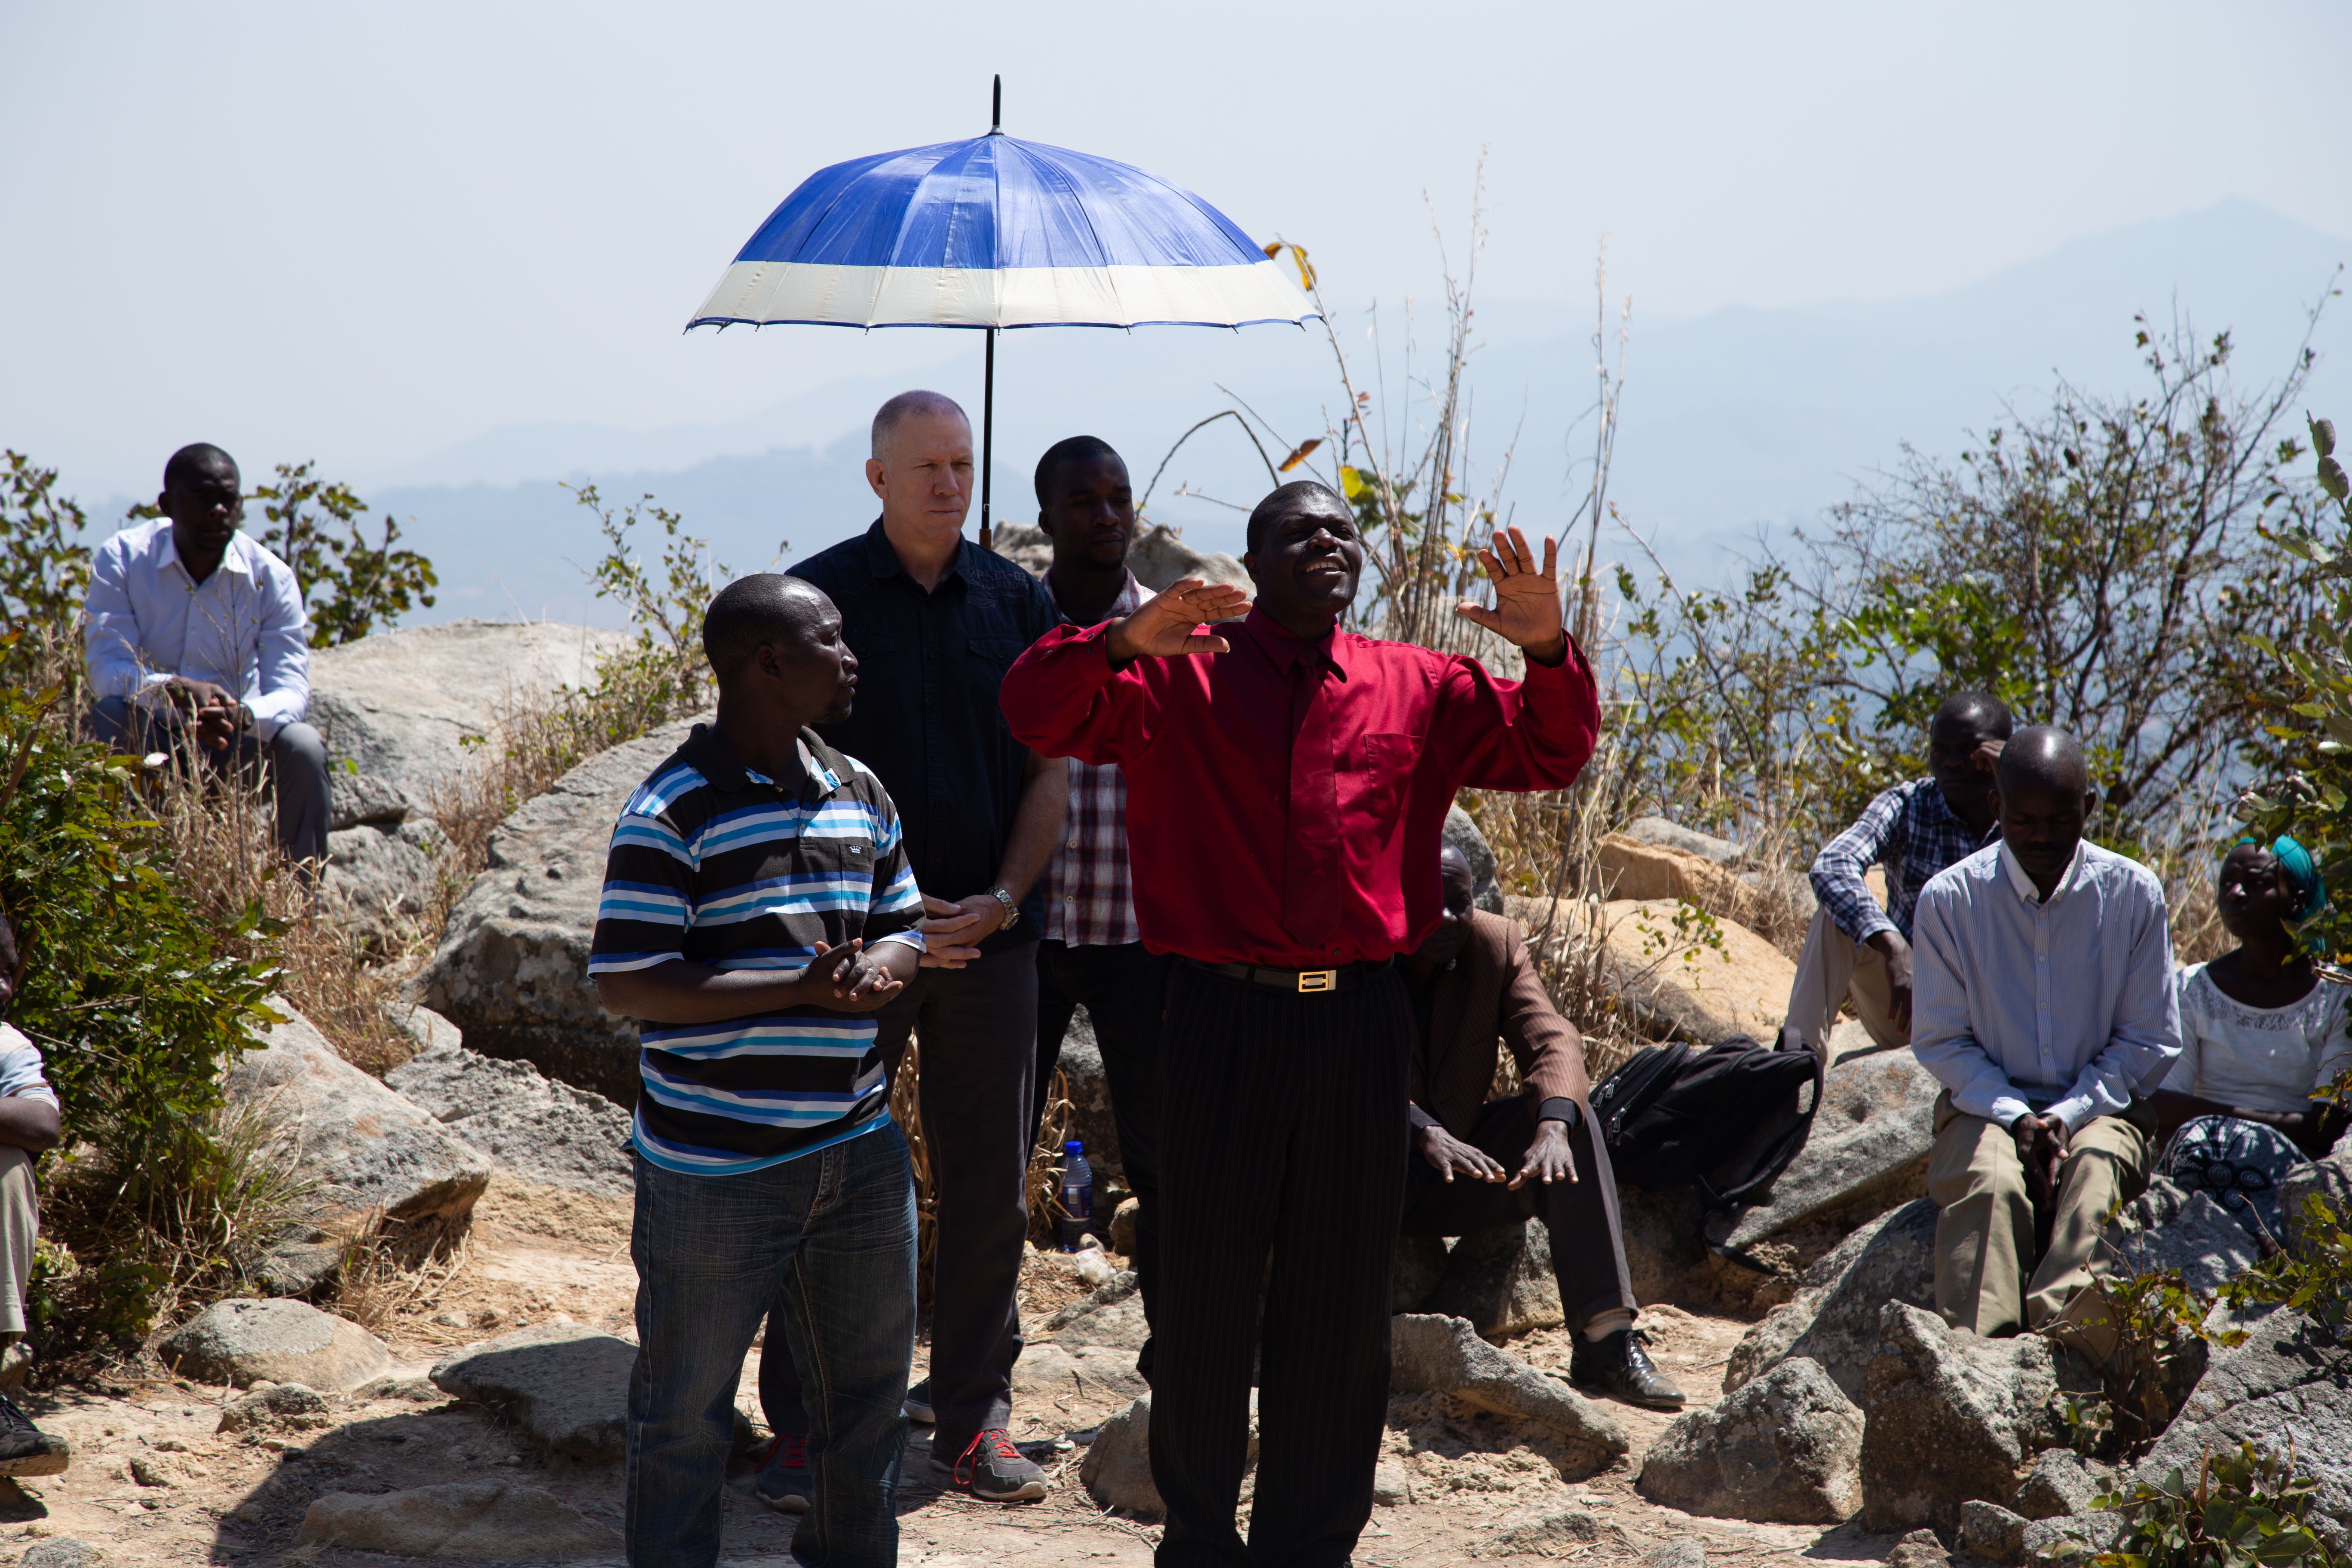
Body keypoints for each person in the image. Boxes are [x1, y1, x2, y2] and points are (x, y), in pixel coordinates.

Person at [1001, 481, 1601, 1568]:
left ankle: (1308, 1542)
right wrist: (1117, 639)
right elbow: (1032, 712)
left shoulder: (1417, 683)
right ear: (1250, 563)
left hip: (1360, 1029)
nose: (1325, 541)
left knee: (1336, 1303)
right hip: (1214, 1020)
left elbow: (1548, 756)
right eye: (1296, 531)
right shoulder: (1177, 672)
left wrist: (1548, 651)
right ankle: (1195, 1535)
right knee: (1201, 1295)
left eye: (1340, 529)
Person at [587, 574, 925, 1568]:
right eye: (830, 640)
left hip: (857, 1153)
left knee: (868, 1413)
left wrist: (879, 966)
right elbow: (630, 983)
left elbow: (905, 920)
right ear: (765, 664)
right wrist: (797, 991)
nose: (851, 656)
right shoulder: (672, 809)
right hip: (710, 1171)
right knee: (685, 1417)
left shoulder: (857, 789)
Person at [772, 391, 1066, 1504]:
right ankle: (803, 1429)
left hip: (993, 944)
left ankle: (974, 1420)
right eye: (927, 465)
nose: (950, 483)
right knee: (820, 1179)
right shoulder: (819, 603)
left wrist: (998, 898)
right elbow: (780, 774)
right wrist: (877, 917)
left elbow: (1052, 776)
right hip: (854, 949)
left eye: (963, 462)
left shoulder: (1020, 602)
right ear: (877, 477)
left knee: (991, 1190)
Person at [1908, 727, 2180, 1338]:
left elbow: (2149, 1039)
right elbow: (1943, 1041)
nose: (2042, 836)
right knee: (1991, 1185)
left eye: (2061, 819)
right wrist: (2016, 1117)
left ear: (2088, 808)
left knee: (2095, 1175)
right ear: (1994, 808)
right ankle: (1981, 1363)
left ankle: (2066, 1363)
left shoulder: (2133, 894)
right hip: (1983, 1109)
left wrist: (2071, 1113)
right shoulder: (1950, 901)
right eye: (2024, 819)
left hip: (2104, 1109)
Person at [1402, 845, 1683, 1410]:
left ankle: (1606, 1340)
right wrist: (1420, 1129)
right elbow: (1332, 1069)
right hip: (1362, 1169)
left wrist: (1553, 1128)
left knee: (1571, 1121)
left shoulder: (1493, 943)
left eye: (1461, 904)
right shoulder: (1352, 949)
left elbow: (1553, 1040)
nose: (1452, 922)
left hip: (1462, 1169)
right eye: (1433, 907)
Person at [1026, 435, 1171, 1376]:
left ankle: (1181, 1350)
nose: (1108, 515)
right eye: (1083, 501)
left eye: (1120, 498)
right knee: (993, 1160)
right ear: (1045, 518)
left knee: (1167, 1161)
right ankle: (974, 1364)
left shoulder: (1173, 629)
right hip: (1025, 931)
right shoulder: (1007, 621)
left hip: (1142, 935)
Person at [83, 444, 328, 870]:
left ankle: (299, 903)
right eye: (201, 498)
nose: (218, 511)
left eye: (228, 500)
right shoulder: (122, 558)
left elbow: (291, 691)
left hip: (234, 741)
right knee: (109, 717)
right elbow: (107, 671)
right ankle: (114, 881)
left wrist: (242, 714)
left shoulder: (269, 577)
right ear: (168, 504)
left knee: (304, 746)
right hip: (155, 735)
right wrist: (174, 691)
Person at [1782, 692, 2012, 1057]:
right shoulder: (1909, 805)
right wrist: (1889, 940)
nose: (1951, 763)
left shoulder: (2029, 816)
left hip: (2008, 1019)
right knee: (1835, 918)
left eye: (1968, 750)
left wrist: (2015, 782)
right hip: (1914, 1008)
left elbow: (2072, 885)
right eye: (1941, 750)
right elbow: (1833, 863)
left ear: (1999, 752)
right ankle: (1795, 1062)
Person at [2150, 837, 2351, 1243]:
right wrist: (2231, 1125)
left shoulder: (2337, 994)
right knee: (2206, 1149)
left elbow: (2328, 1125)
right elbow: (2164, 1105)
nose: (2235, 894)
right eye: (2227, 882)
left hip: (2291, 1168)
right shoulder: (2191, 987)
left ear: (2295, 899)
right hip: (2198, 1151)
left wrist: (2232, 1125)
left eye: (2255, 882)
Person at [0, 906, 68, 1479]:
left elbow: (43, 1125)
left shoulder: (6, 1045)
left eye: (7, 971)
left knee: (10, 1163)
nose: (2, 985)